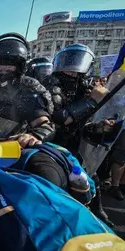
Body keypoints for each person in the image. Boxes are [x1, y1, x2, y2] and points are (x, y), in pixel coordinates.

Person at [0, 33, 65, 190]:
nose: (4, 69)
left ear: (20, 66)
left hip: (14, 146)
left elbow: (44, 123)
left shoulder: (28, 87)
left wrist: (34, 136)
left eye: (10, 64)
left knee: (48, 173)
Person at [43, 43, 114, 226]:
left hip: (75, 142)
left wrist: (99, 126)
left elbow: (85, 121)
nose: (72, 72)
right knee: (54, 181)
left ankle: (97, 213)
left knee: (90, 176)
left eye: (77, 66)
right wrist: (92, 101)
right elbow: (60, 118)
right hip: (52, 142)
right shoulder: (52, 84)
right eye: (69, 65)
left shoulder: (85, 86)